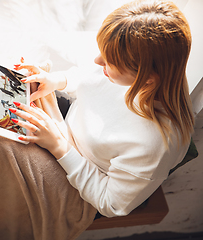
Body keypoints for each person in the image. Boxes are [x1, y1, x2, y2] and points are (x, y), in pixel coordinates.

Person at [11, 0, 194, 217]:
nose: (98, 61)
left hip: (76, 177)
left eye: (109, 62)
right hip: (63, 128)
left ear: (146, 80)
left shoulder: (154, 145)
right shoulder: (133, 66)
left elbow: (110, 203)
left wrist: (59, 146)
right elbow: (88, 76)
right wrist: (56, 80)